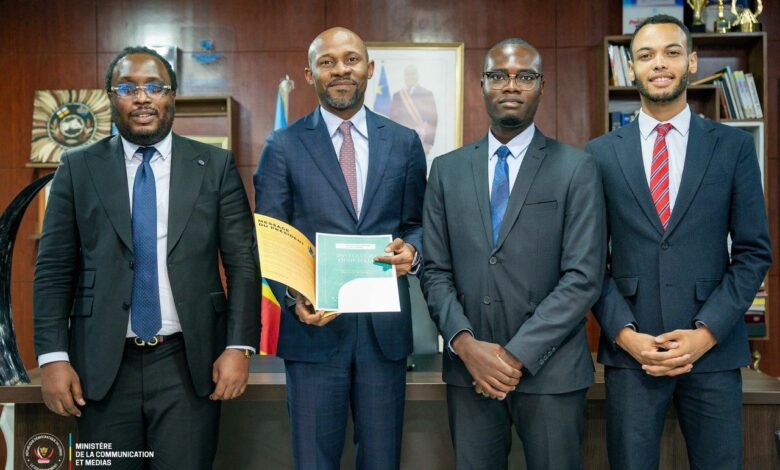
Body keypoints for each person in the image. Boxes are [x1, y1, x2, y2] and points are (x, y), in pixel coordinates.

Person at [33, 46, 261, 469]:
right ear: (110, 97)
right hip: (100, 368)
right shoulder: (78, 167)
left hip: (188, 365)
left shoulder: (214, 165)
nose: (142, 98)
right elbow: (52, 269)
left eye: (155, 87)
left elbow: (243, 264)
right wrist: (53, 357)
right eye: (127, 88)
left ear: (172, 95)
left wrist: (238, 346)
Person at [586, 15, 771, 469]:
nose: (659, 63)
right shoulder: (599, 154)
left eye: (671, 52)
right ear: (631, 68)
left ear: (691, 61)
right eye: (645, 55)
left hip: (713, 352)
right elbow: (588, 261)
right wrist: (625, 336)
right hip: (633, 354)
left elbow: (753, 253)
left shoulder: (733, 147)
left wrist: (706, 333)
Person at [422, 38, 605, 470]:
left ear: (541, 86)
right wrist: (466, 346)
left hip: (552, 371)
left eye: (524, 76)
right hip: (470, 371)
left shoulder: (576, 168)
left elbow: (583, 277)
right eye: (498, 75)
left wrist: (512, 356)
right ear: (482, 85)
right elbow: (434, 271)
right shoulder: (446, 170)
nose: (510, 85)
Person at [253, 27, 427, 470]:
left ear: (370, 69)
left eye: (351, 59)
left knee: (382, 460)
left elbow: (418, 224)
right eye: (326, 62)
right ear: (309, 74)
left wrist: (413, 252)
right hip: (312, 330)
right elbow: (270, 237)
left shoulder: (404, 142)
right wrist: (293, 296)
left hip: (383, 334)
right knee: (314, 460)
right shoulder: (282, 146)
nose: (340, 70)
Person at [389, 64, 438, 154]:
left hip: (421, 142)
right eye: (407, 74)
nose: (410, 76)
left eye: (412, 74)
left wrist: (428, 143)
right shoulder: (397, 95)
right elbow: (393, 120)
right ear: (404, 77)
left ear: (417, 76)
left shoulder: (427, 94)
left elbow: (432, 120)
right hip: (401, 144)